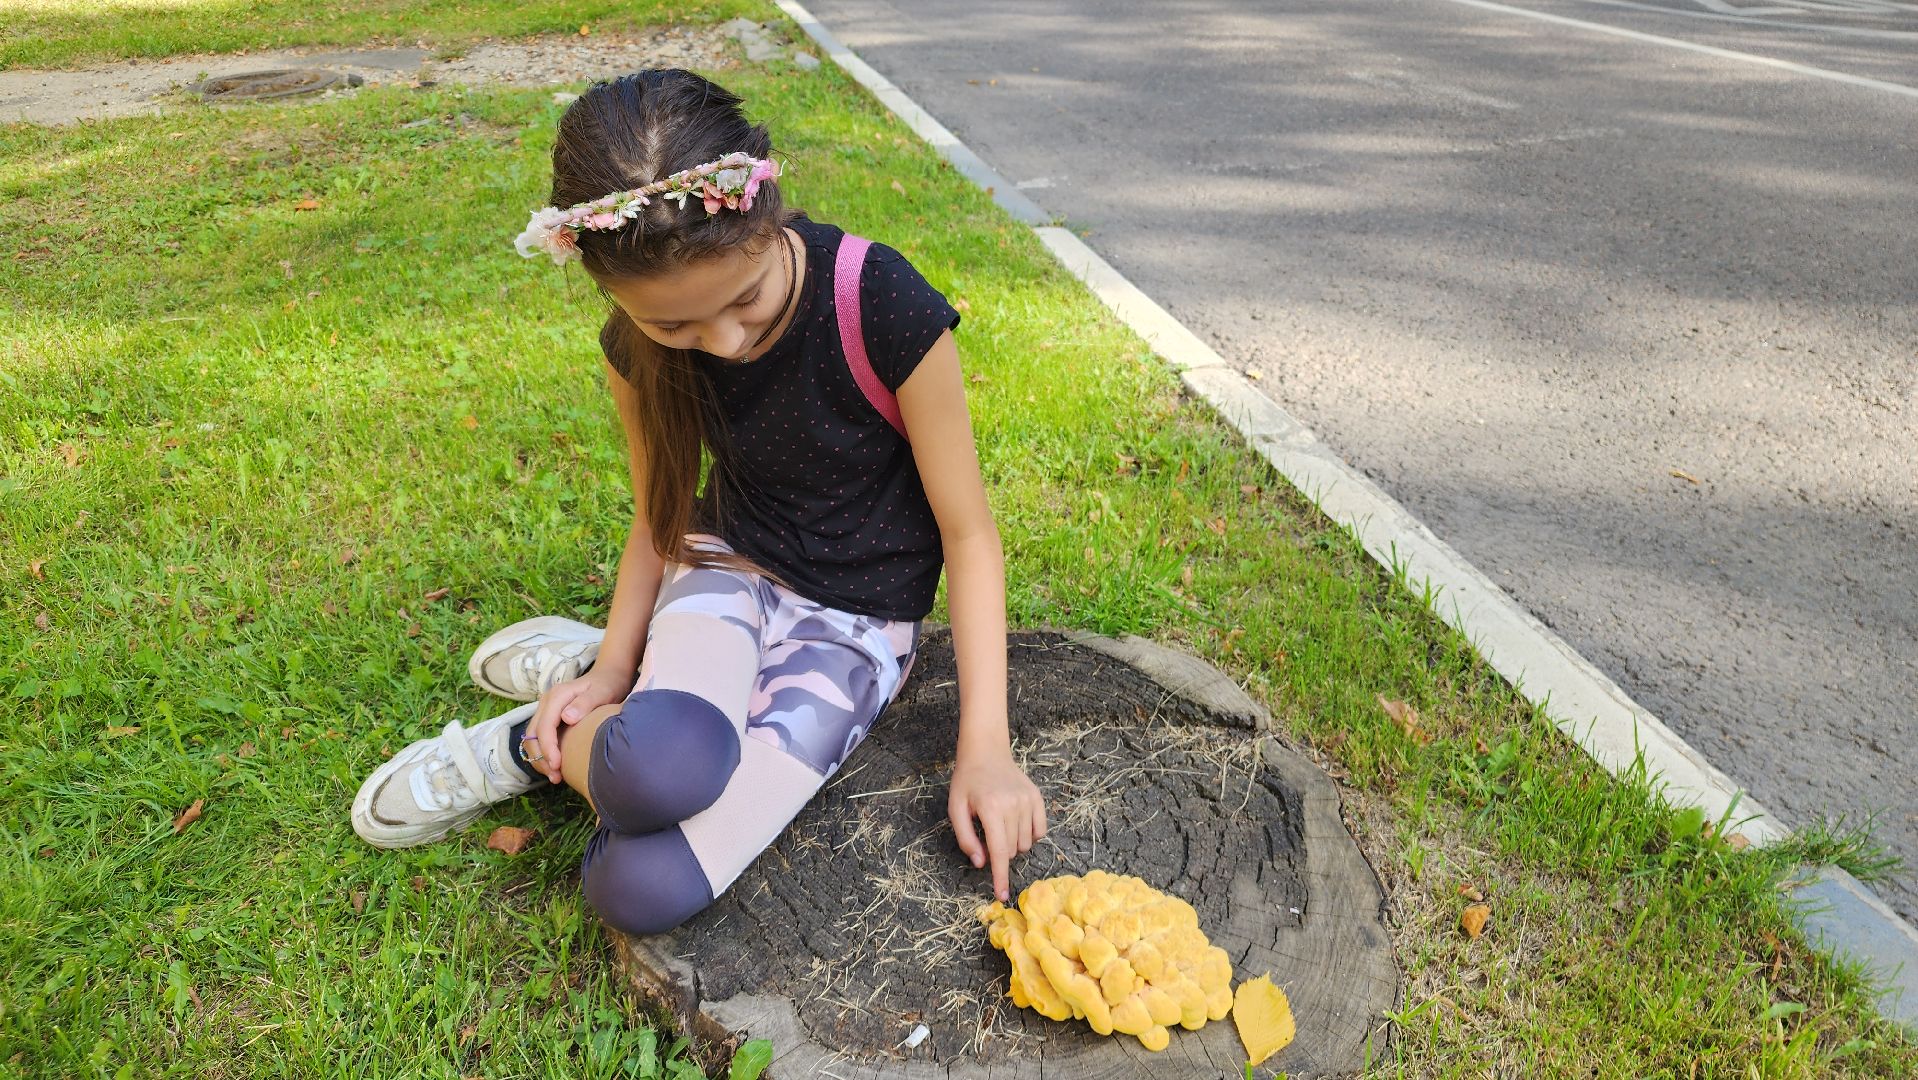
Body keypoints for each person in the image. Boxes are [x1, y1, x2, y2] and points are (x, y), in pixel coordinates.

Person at [349, 69, 1047, 936]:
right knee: (658, 772)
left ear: (769, 211)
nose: (722, 342)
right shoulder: (632, 349)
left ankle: (632, 702)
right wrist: (609, 665)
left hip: (854, 624)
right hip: (724, 569)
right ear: (609, 291)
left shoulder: (881, 303)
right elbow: (661, 511)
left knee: (639, 891)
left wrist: (985, 747)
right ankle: (541, 738)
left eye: (745, 300)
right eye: (675, 327)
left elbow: (969, 535)